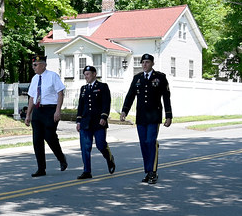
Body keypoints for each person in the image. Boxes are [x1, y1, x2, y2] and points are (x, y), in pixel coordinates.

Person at [121, 53, 172, 183]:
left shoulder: (160, 77)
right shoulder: (137, 78)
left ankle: (153, 172)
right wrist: (124, 111)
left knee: (150, 142)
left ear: (152, 63)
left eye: (147, 62)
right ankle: (148, 172)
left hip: (154, 116)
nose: (144, 64)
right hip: (141, 117)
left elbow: (166, 97)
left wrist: (168, 115)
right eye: (143, 62)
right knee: (143, 144)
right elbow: (130, 95)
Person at [25, 54, 67, 177]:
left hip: (50, 110)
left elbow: (60, 94)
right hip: (38, 110)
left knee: (49, 136)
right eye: (33, 65)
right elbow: (32, 97)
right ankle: (41, 168)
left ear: (43, 65)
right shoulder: (34, 79)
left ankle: (61, 158)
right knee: (37, 140)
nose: (33, 67)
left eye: (35, 65)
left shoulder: (53, 76)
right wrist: (28, 115)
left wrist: (58, 111)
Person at [74, 65, 116, 179]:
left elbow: (106, 103)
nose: (86, 77)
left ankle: (109, 158)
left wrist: (104, 117)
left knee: (100, 144)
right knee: (85, 147)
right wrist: (78, 121)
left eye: (88, 74)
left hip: (98, 122)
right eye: (84, 75)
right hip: (85, 122)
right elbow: (81, 106)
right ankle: (87, 171)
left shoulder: (102, 86)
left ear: (94, 74)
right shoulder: (83, 88)